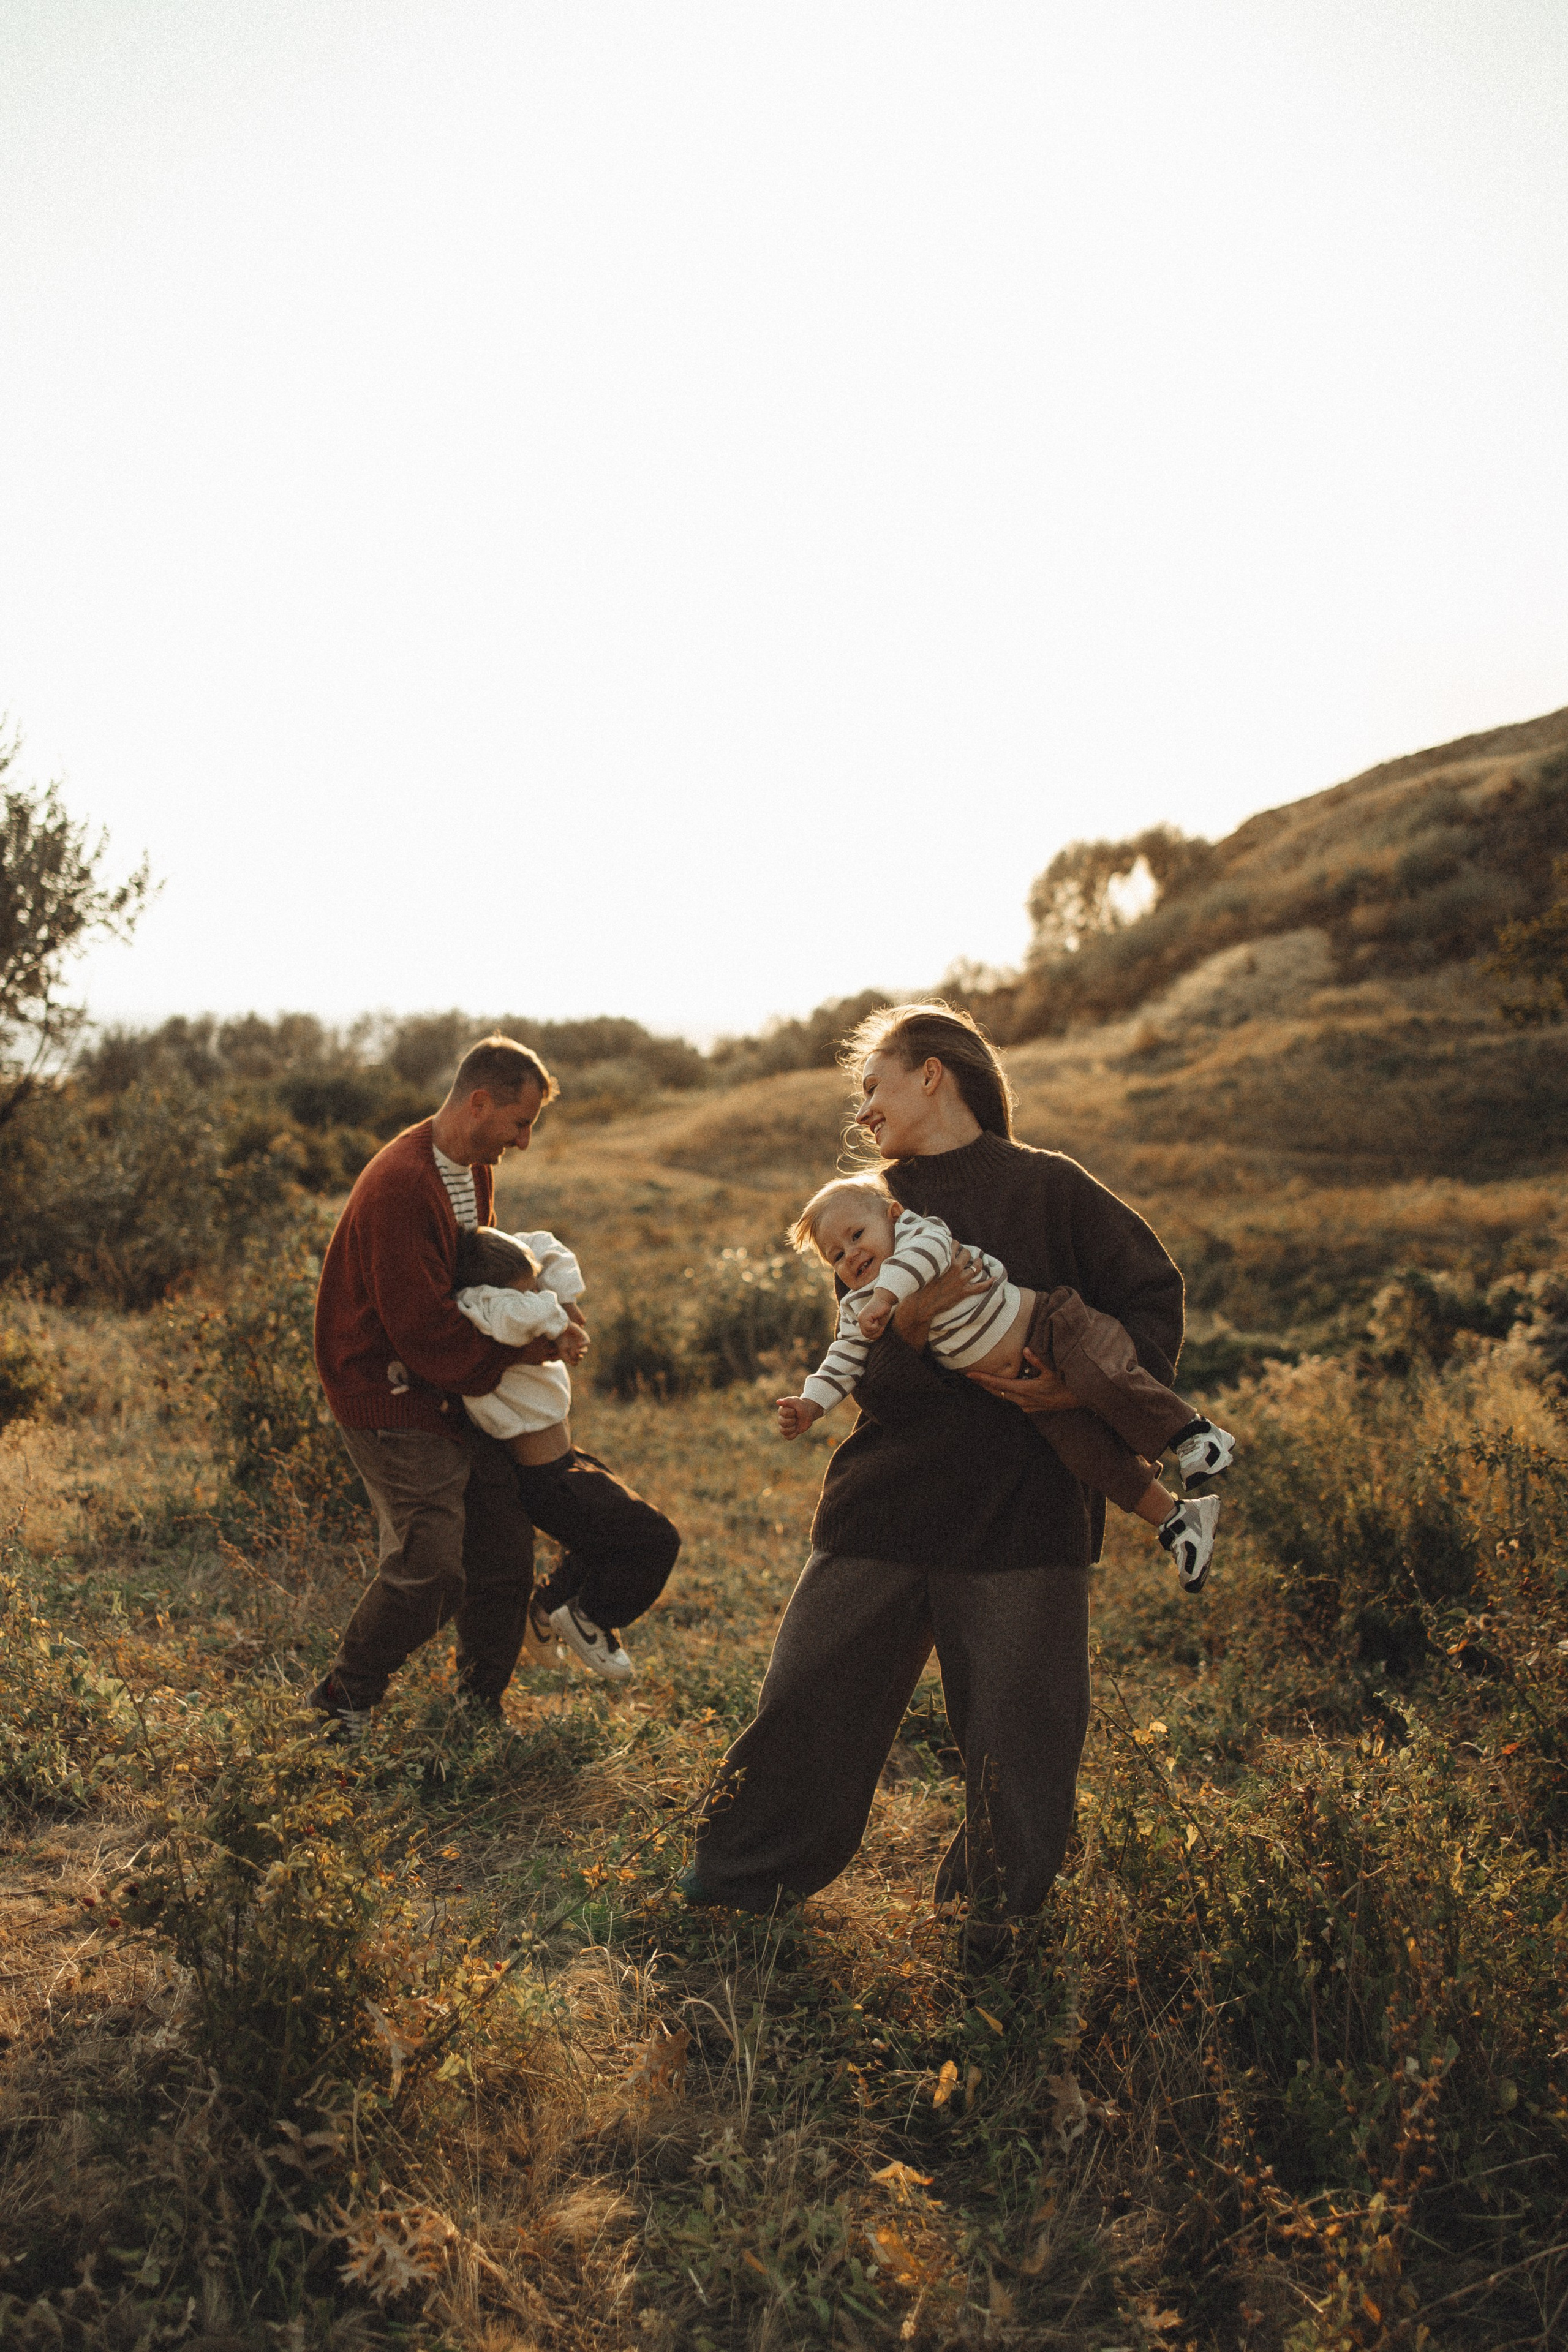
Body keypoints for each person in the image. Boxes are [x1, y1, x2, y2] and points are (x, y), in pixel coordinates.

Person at [686, 1001, 1186, 1956]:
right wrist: (911, 1332)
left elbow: (1149, 1297)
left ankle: (991, 1934)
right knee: (806, 1698)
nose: (863, 1109)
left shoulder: (1052, 1189)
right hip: (889, 1494)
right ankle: (734, 1889)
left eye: (873, 1083)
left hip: (1026, 1512)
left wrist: (1074, 1395)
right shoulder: (870, 1208)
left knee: (1021, 1741)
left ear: (934, 1073)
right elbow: (862, 1353)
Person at [311, 1034, 680, 1728]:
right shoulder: (402, 1184)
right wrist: (534, 1347)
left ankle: (474, 1712)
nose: (526, 1141)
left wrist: (539, 1307)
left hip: (449, 1388)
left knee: (505, 1553)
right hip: (388, 1392)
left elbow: (475, 1281)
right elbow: (422, 1329)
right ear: (479, 1102)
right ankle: (344, 1697)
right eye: (520, 1123)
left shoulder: (466, 1168)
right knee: (432, 1564)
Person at [777, 1172, 1234, 1591]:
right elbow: (843, 1358)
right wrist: (811, 1404)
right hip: (1026, 1386)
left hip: (1051, 1324)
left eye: (857, 1235)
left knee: (1104, 1374)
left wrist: (888, 1297)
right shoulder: (860, 1303)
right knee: (1087, 1456)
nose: (852, 1254)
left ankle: (1192, 1433)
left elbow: (929, 1256)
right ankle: (1178, 1519)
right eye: (837, 1255)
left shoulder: (918, 1233)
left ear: (893, 1217)